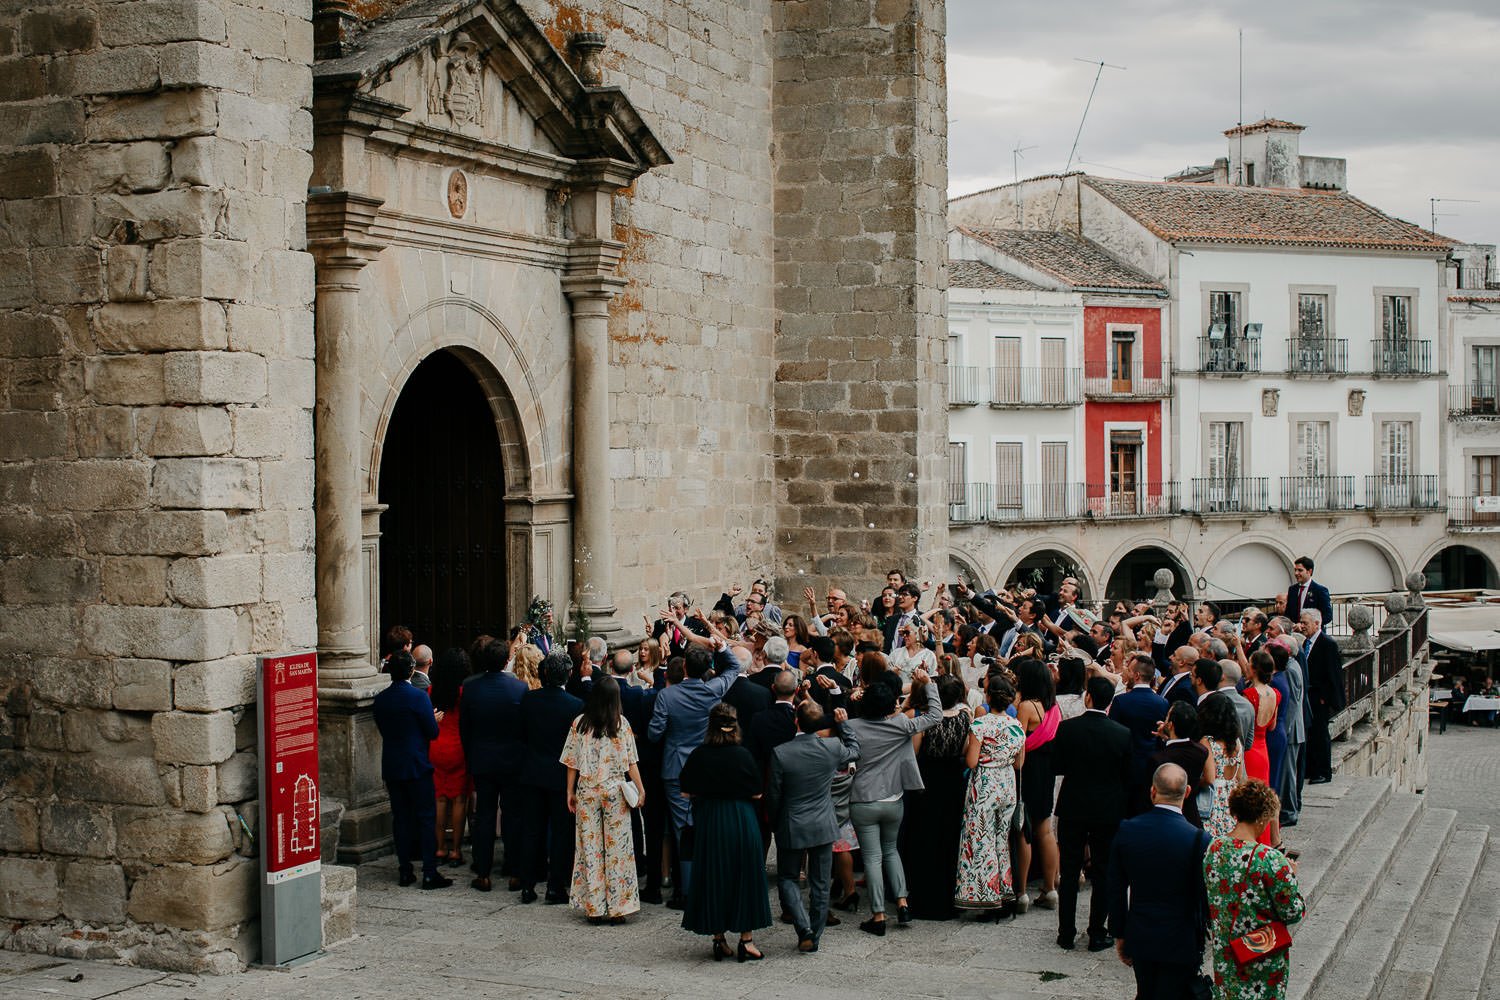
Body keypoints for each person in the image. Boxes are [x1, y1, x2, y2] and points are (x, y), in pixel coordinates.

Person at [846, 668, 942, 934]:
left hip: (864, 799)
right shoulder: (900, 724)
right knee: (891, 850)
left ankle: (878, 914)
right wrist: (928, 684)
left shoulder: (852, 728)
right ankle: (902, 902)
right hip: (894, 797)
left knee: (872, 857)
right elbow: (935, 716)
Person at [647, 640, 741, 904]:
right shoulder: (713, 690)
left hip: (676, 766)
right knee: (707, 824)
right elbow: (734, 667)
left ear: (684, 667)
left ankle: (689, 890)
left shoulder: (667, 696)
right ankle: (711, 882)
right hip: (705, 764)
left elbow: (655, 733)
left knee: (683, 830)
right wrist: (722, 646)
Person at [679, 702, 773, 961]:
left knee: (714, 876)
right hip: (740, 818)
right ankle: (746, 940)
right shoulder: (743, 755)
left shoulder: (699, 754)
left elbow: (686, 791)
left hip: (710, 819)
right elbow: (756, 792)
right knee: (745, 877)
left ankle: (719, 938)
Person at [1107, 763, 1210, 1000]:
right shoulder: (1199, 839)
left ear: (1152, 791)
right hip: (1181, 938)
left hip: (1142, 933)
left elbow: (1115, 887)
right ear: (1187, 792)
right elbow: (1204, 895)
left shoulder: (1128, 829)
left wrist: (1119, 932)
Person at [766, 700, 861, 953]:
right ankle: (814, 933)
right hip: (822, 822)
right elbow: (854, 751)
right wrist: (844, 725)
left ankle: (804, 927)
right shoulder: (831, 747)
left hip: (792, 821)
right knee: (820, 881)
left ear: (796, 721)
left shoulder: (781, 752)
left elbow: (774, 794)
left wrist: (775, 822)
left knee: (788, 877)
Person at [1204, 781, 1307, 1000]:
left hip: (1226, 954)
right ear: (1262, 818)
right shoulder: (1271, 860)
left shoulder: (1214, 848)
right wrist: (1292, 878)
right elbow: (1292, 912)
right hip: (1261, 956)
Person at [1051, 676, 1131, 952]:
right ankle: (1097, 931)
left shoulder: (1067, 728)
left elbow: (1057, 765)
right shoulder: (1122, 733)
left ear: (1088, 698)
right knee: (1103, 870)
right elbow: (1126, 775)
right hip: (1107, 808)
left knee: (1070, 870)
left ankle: (1066, 931)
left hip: (1073, 804)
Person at [561, 675, 645, 924]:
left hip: (587, 790)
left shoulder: (580, 723)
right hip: (614, 791)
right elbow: (631, 763)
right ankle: (618, 907)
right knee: (617, 850)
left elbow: (571, 762)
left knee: (591, 849)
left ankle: (595, 907)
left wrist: (570, 790)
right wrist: (641, 789)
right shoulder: (622, 724)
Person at [372, 650, 451, 889]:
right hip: (417, 764)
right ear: (410, 671)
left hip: (393, 764)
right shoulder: (418, 698)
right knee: (426, 818)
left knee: (401, 819)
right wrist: (434, 720)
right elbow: (432, 732)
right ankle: (429, 871)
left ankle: (405, 870)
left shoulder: (381, 699)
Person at [898, 673, 972, 921]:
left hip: (928, 780)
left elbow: (915, 753)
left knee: (925, 837)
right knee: (949, 838)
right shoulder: (965, 717)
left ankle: (924, 897)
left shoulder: (925, 720)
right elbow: (964, 750)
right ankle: (948, 897)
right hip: (953, 780)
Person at [459, 637, 528, 892]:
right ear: (506, 660)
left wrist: (471, 755)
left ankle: (483, 871)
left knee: (484, 817)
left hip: (483, 759)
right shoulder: (519, 689)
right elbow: (523, 728)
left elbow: (465, 728)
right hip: (511, 760)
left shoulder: (470, 687)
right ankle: (515, 871)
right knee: (512, 816)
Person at [517, 652, 585, 904]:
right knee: (560, 833)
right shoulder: (575, 705)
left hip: (533, 772)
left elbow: (521, 734)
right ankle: (555, 886)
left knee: (532, 830)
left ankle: (528, 884)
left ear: (544, 674)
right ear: (568, 674)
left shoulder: (529, 700)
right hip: (560, 777)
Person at [955, 675, 1026, 915]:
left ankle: (987, 895)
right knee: (1001, 839)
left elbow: (972, 761)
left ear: (988, 697)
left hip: (985, 784)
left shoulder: (980, 724)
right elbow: (1019, 764)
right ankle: (1005, 892)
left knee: (980, 840)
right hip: (1007, 783)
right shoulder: (1017, 726)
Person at [1013, 656, 1061, 911]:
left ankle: (1020, 892)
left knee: (1024, 830)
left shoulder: (1027, 707)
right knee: (1045, 829)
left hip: (1029, 772)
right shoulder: (1055, 708)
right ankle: (1050, 888)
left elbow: (1018, 745)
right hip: (1048, 772)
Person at [427, 647, 471, 867]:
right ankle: (455, 849)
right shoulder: (464, 693)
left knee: (440, 799)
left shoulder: (432, 690)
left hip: (436, 747)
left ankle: (439, 847)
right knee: (459, 800)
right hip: (458, 748)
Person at [1110, 653, 1170, 816]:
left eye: (1129, 670)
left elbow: (1112, 735)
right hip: (1150, 766)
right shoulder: (1162, 703)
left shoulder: (1121, 701)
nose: (1125, 673)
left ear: (1136, 675)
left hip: (1123, 768)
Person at [1148, 700, 1212, 828]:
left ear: (1171, 725)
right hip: (1191, 817)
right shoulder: (1201, 752)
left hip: (1164, 820)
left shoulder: (1158, 759)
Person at [1298, 609, 1344, 785]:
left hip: (1319, 697)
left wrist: (1327, 697)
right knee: (1311, 734)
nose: (1302, 626)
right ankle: (1311, 769)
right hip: (1310, 695)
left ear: (1317, 624)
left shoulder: (1327, 644)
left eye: (1306, 623)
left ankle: (1323, 771)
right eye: (1302, 623)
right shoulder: (1306, 643)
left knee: (1320, 734)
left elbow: (1333, 673)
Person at [1243, 650, 1282, 847]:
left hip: (1250, 751)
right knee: (1263, 795)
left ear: (1255, 669)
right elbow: (1272, 725)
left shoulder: (1249, 695)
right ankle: (1265, 841)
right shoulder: (1275, 694)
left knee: (1249, 798)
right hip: (1263, 747)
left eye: (1249, 664)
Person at [1199, 693, 1244, 838]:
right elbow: (1238, 775)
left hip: (1213, 801)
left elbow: (1209, 778)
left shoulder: (1208, 742)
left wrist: (1193, 781)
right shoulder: (1236, 742)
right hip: (1231, 798)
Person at [1285, 556, 1333, 627]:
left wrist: (1306, 625)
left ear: (1309, 571)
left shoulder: (1320, 591)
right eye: (1295, 570)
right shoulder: (1292, 589)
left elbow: (1327, 616)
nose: (1296, 573)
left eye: (1300, 570)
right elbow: (1288, 613)